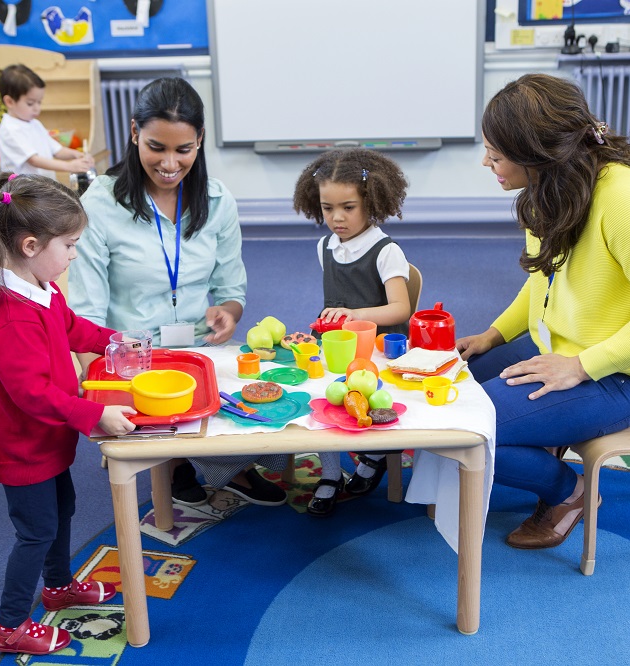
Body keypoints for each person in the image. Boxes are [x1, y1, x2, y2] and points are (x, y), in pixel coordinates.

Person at [457, 73, 630, 549]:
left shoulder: (627, 199)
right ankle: (540, 439)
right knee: (448, 385)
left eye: (497, 154)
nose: (487, 161)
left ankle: (569, 491)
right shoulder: (549, 189)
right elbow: (543, 279)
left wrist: (579, 367)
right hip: (558, 348)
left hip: (620, 377)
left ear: (538, 154)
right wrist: (493, 335)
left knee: (469, 428)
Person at [68, 77, 288, 508]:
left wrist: (228, 311)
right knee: (176, 422)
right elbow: (86, 307)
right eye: (156, 147)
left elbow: (230, 287)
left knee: (271, 410)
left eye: (183, 150)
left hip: (196, 347)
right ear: (134, 134)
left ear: (200, 141)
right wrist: (101, 386)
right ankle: (182, 463)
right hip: (131, 356)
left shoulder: (217, 199)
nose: (170, 163)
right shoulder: (100, 203)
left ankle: (207, 462)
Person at [0, 173, 137, 655]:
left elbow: (70, 326)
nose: (74, 254)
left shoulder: (43, 286)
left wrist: (111, 340)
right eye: (70, 245)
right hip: (19, 446)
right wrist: (94, 416)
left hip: (46, 438)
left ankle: (57, 587)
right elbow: (30, 393)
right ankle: (10, 626)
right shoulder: (12, 314)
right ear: (31, 245)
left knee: (63, 510)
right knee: (36, 533)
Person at [291, 148, 412, 517]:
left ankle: (374, 454)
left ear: (371, 202)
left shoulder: (386, 250)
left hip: (378, 353)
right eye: (328, 208)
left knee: (369, 398)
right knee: (320, 398)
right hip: (340, 349)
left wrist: (354, 313)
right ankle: (330, 473)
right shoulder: (324, 246)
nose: (337, 218)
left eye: (348, 207)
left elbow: (401, 309)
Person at [0, 64, 95, 179]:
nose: (37, 108)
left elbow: (57, 150)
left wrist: (77, 155)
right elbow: (33, 160)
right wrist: (69, 166)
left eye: (39, 102)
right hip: (22, 192)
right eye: (30, 103)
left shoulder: (35, 124)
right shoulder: (10, 129)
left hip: (41, 187)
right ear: (9, 102)